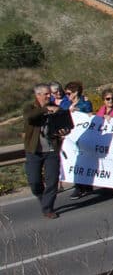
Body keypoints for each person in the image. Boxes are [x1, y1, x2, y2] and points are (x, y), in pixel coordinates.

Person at [24, 84, 69, 218]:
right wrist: (45, 109)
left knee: (52, 180)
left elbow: (66, 125)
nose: (50, 96)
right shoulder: (30, 108)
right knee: (34, 181)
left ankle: (48, 208)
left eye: (50, 94)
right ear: (38, 95)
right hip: (34, 151)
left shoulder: (56, 108)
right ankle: (43, 198)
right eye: (46, 94)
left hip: (52, 150)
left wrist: (64, 130)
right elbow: (29, 117)